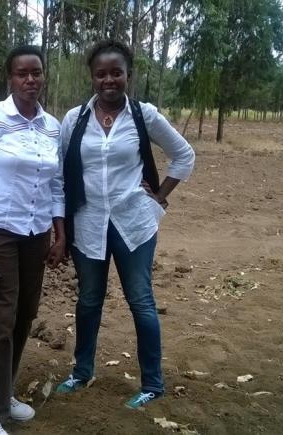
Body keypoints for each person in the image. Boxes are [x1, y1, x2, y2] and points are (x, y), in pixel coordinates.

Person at [55, 40, 195, 409]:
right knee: (88, 301)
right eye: (101, 74)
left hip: (133, 222)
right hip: (88, 223)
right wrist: (61, 225)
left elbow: (184, 155)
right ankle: (82, 372)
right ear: (92, 77)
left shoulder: (142, 115)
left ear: (128, 75)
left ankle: (152, 383)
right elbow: (62, 171)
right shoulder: (74, 120)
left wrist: (159, 194)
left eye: (116, 72)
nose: (109, 80)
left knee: (141, 301)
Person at [0, 45, 66, 435]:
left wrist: (60, 233)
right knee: (0, 319)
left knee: (25, 314)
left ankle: (6, 393)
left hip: (35, 235)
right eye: (22, 73)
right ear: (10, 78)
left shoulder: (51, 127)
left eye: (36, 72)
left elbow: (57, 184)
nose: (30, 80)